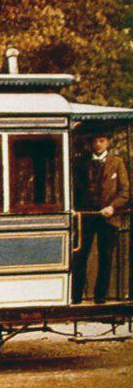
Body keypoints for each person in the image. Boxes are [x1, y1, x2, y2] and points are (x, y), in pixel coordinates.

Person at [72, 129, 129, 304]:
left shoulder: (117, 163)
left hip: (108, 218)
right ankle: (76, 296)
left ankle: (100, 296)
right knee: (81, 256)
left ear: (107, 143)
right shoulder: (82, 163)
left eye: (102, 141)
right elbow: (74, 188)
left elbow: (125, 191)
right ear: (91, 144)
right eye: (95, 141)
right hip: (86, 217)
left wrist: (112, 207)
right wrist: (74, 209)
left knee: (106, 256)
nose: (98, 144)